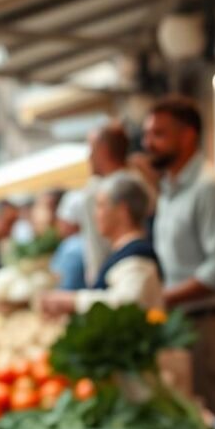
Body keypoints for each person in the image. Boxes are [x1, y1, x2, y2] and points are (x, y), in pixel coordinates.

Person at [145, 95, 215, 413]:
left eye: (159, 134)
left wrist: (164, 297)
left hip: (205, 328)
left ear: (188, 136)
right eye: (148, 135)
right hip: (177, 324)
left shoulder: (209, 188)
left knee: (209, 419)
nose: (149, 143)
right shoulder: (169, 190)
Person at [38, 175, 163, 316]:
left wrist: (73, 301)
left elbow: (128, 303)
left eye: (101, 205)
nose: (95, 214)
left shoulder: (137, 256)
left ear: (122, 210)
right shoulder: (126, 252)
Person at [77, 123, 132, 285]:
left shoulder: (101, 191)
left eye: (91, 150)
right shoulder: (139, 182)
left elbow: (97, 250)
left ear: (103, 150)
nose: (89, 157)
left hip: (113, 282)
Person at [49, 191, 87, 291]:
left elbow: (65, 287)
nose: (59, 224)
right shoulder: (84, 242)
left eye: (61, 219)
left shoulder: (73, 248)